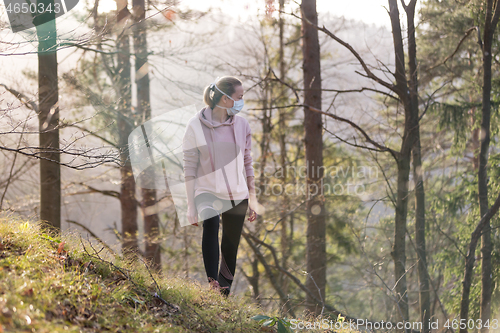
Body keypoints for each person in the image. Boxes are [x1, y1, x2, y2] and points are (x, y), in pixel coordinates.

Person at [182, 76, 263, 297]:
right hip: (206, 190)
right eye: (240, 97)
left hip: (237, 194)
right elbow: (189, 167)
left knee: (230, 246)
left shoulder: (242, 125)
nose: (241, 101)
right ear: (226, 99)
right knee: (211, 222)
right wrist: (190, 205)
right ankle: (212, 283)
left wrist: (252, 198)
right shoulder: (195, 125)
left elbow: (248, 162)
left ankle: (222, 296)